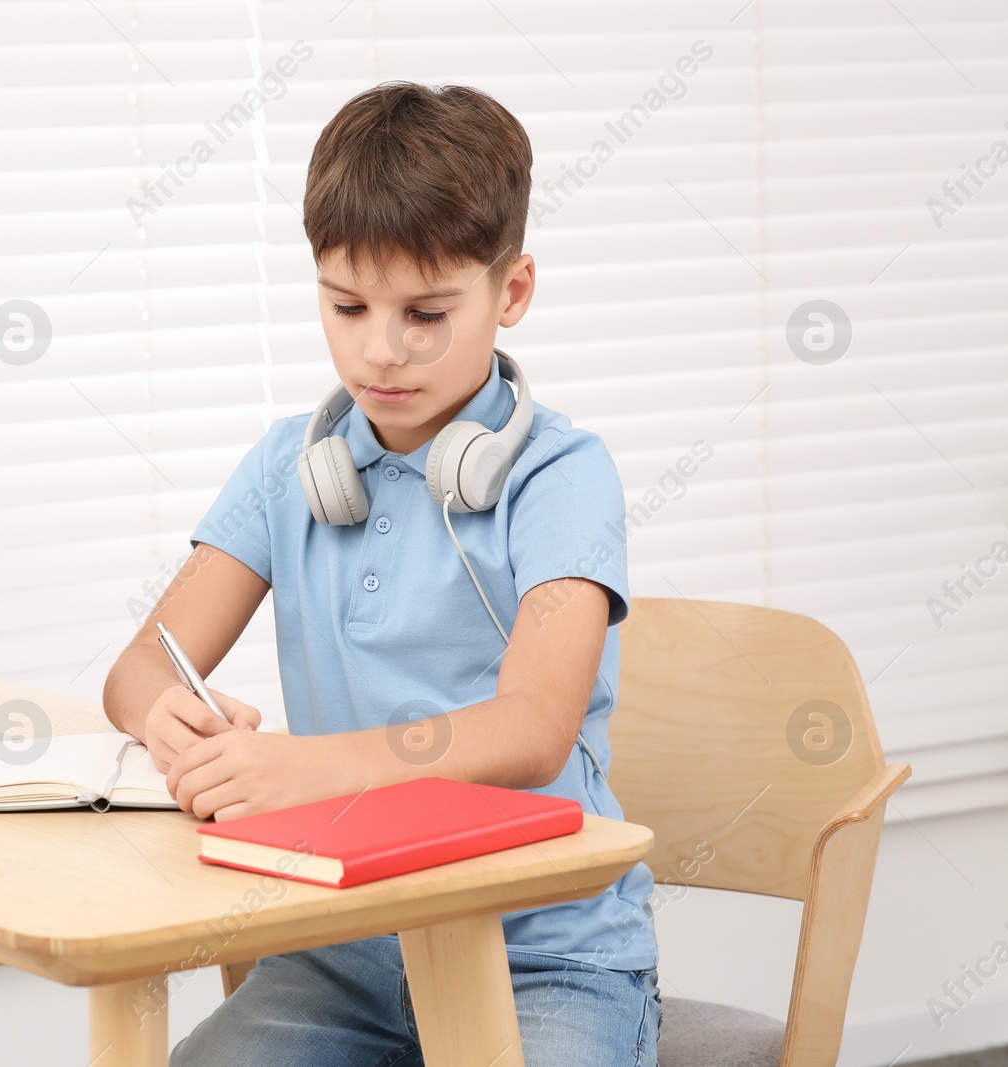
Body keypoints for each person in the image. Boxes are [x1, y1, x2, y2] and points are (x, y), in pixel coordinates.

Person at [102, 80, 660, 1067]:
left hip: (543, 956)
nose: (379, 349)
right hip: (340, 952)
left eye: (426, 311)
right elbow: (139, 666)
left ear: (512, 291)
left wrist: (305, 767)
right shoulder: (289, 467)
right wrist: (164, 714)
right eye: (346, 305)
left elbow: (533, 729)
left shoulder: (561, 476)